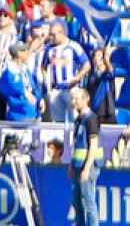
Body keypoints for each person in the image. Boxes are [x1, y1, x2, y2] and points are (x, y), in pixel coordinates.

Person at [71, 85, 102, 226]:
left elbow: (93, 146)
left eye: (77, 99)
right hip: (78, 165)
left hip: (88, 167)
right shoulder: (78, 120)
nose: (74, 102)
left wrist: (87, 168)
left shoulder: (92, 119)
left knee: (89, 202)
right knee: (77, 202)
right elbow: (76, 144)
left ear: (86, 100)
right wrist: (72, 165)